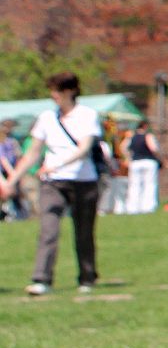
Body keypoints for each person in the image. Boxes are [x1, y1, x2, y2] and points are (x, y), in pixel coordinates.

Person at [17, 72, 103, 295]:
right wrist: (12, 179)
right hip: (52, 183)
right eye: (52, 90)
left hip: (83, 180)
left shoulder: (87, 115)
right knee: (48, 229)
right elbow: (33, 153)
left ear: (71, 91)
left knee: (84, 232)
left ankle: (87, 277)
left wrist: (58, 164)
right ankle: (42, 279)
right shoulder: (46, 118)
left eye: (58, 90)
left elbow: (84, 149)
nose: (54, 95)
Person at [119, 119, 162, 214]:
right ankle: (148, 206)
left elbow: (123, 147)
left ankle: (132, 208)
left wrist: (128, 157)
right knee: (149, 184)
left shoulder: (131, 136)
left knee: (134, 185)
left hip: (135, 162)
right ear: (145, 126)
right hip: (148, 161)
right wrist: (159, 156)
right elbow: (154, 148)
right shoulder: (148, 135)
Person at [0, 118, 25, 221]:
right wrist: (13, 173)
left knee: (13, 195)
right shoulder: (3, 143)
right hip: (6, 172)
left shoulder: (11, 141)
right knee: (7, 194)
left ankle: (14, 215)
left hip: (10, 171)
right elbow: (3, 159)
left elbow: (18, 157)